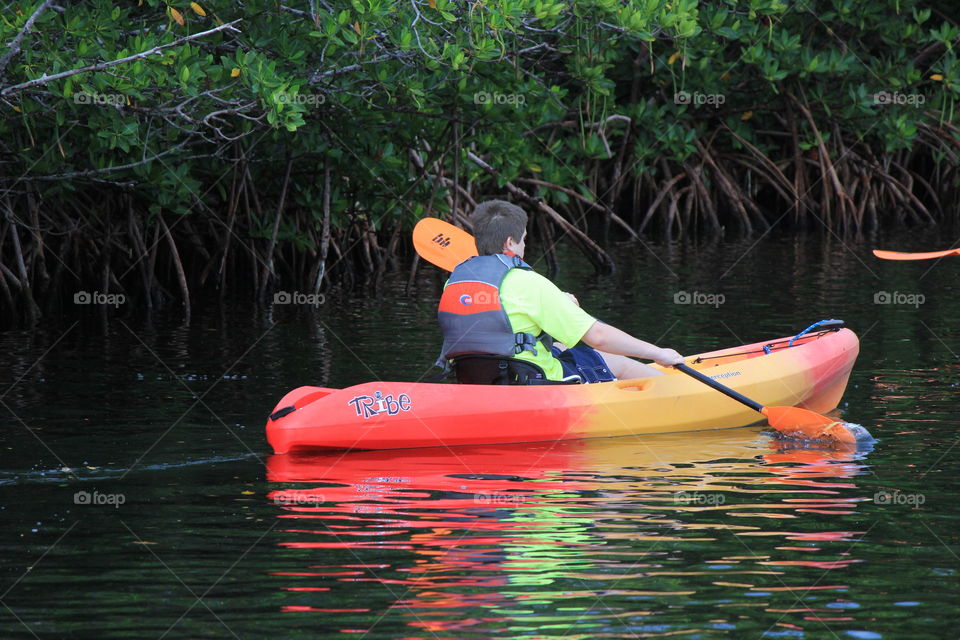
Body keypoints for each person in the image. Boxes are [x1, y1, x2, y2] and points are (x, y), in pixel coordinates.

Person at [437, 200, 685, 384]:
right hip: (529, 381)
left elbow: (503, 325)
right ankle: (680, 393)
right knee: (610, 359)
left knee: (563, 347)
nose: (525, 246)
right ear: (510, 242)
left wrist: (560, 306)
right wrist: (659, 353)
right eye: (523, 239)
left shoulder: (455, 282)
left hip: (474, 380)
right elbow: (598, 336)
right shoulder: (528, 282)